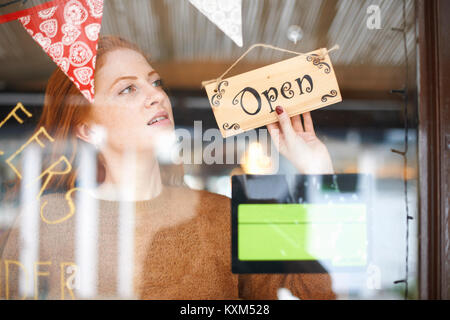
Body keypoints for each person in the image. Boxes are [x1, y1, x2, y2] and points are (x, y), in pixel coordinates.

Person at [1, 36, 335, 300]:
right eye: (128, 88)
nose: (156, 96)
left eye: (155, 82)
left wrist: (319, 172)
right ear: (87, 129)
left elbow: (316, 295)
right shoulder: (45, 220)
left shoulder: (230, 215)